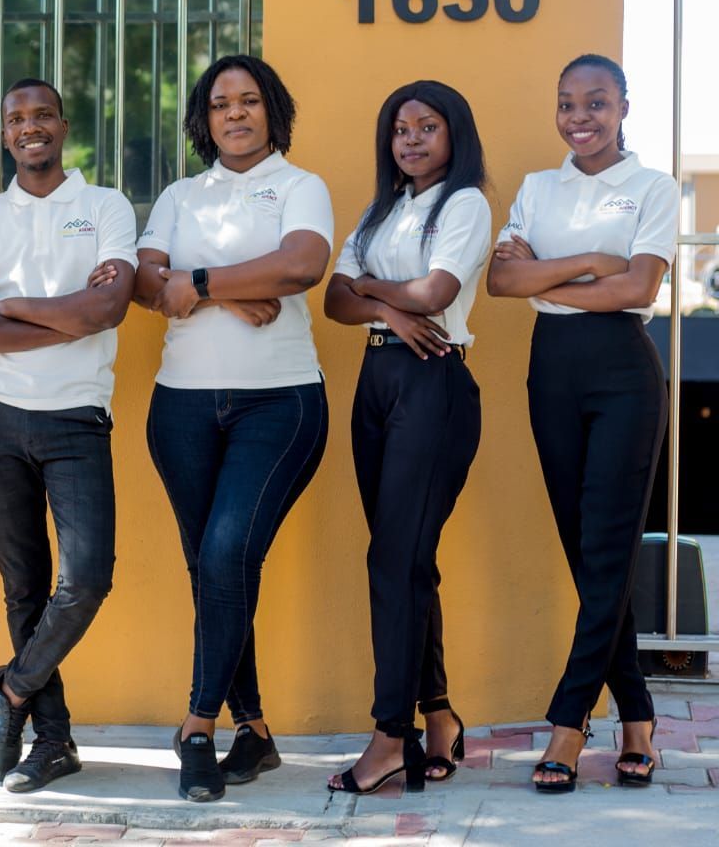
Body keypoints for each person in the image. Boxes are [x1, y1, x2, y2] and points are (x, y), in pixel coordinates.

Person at [135, 54, 332, 802]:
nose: (236, 114)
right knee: (216, 569)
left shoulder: (299, 186)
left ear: (271, 111)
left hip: (278, 404)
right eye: (221, 104)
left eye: (250, 101)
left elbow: (303, 263)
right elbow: (144, 282)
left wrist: (205, 284)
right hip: (181, 405)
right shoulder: (182, 195)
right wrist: (230, 294)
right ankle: (254, 729)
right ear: (204, 118)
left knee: (224, 554)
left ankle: (196, 727)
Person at [487, 54, 675, 793]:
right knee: (587, 549)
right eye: (566, 104)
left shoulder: (652, 189)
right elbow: (502, 280)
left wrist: (553, 272)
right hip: (553, 371)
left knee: (608, 542)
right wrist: (595, 261)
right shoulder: (539, 188)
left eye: (596, 103)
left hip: (624, 372)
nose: (579, 118)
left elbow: (641, 285)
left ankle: (568, 721)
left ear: (624, 105)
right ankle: (637, 712)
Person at [0, 78, 137, 793]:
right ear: (4, 133)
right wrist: (67, 309)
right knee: (23, 587)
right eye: (16, 118)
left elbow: (107, 310)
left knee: (86, 577)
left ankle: (13, 689)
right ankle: (53, 741)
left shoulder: (104, 207)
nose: (30, 127)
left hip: (77, 416)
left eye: (43, 116)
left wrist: (14, 305)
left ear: (63, 125)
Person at [322, 80, 491, 795]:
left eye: (428, 126)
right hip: (378, 380)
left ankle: (393, 736)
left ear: (455, 133)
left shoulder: (467, 203)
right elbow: (333, 300)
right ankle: (440, 715)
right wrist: (388, 308)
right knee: (407, 560)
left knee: (394, 560)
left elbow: (436, 295)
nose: (412, 139)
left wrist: (374, 292)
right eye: (400, 128)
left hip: (434, 382)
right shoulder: (381, 209)